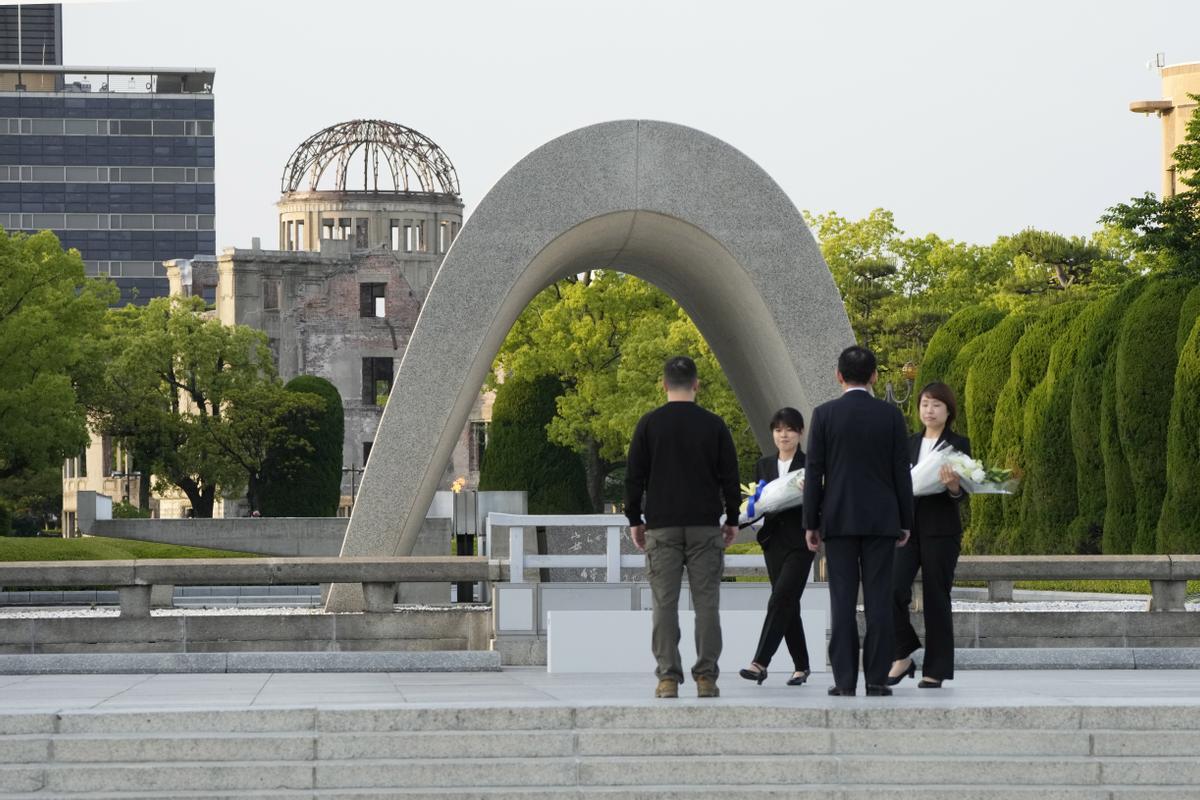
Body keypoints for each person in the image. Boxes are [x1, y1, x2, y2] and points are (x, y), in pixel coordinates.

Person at [625, 355, 741, 699]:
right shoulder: (714, 425)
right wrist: (732, 518)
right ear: (697, 385)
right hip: (705, 526)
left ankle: (668, 678)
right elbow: (730, 477)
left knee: (664, 603)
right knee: (707, 603)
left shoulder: (649, 424)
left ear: (663, 385)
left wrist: (635, 519)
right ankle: (706, 677)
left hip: (662, 526)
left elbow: (634, 478)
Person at [802, 345, 913, 697]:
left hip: (838, 519)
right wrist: (905, 520)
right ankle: (877, 679)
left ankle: (845, 680)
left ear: (838, 376)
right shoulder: (890, 416)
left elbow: (814, 471)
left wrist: (810, 522)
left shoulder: (824, 415)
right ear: (875, 376)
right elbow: (901, 472)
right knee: (879, 600)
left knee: (842, 600)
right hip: (882, 519)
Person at [888, 382, 969, 689]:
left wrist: (953, 487)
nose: (929, 410)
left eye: (936, 405)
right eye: (924, 404)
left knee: (937, 597)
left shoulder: (959, 445)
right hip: (906, 531)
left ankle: (935, 670)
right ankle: (903, 652)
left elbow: (963, 494)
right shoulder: (907, 444)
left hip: (941, 531)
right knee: (892, 589)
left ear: (948, 411)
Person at [739, 407, 815, 687]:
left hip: (801, 541)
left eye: (790, 429)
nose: (784, 435)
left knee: (780, 598)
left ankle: (760, 663)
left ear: (800, 433)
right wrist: (738, 523)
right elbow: (758, 504)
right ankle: (802, 666)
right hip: (773, 542)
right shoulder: (765, 465)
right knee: (787, 603)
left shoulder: (812, 464)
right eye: (779, 430)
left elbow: (822, 503)